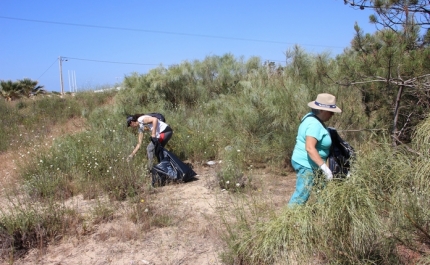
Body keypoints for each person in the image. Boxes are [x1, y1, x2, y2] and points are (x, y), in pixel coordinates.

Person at [288, 93, 342, 206]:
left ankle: (320, 216)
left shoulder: (311, 117)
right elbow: (310, 148)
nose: (332, 115)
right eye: (331, 112)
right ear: (321, 110)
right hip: (307, 165)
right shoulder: (314, 124)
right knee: (302, 195)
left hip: (313, 163)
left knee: (323, 192)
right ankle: (289, 220)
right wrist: (324, 168)